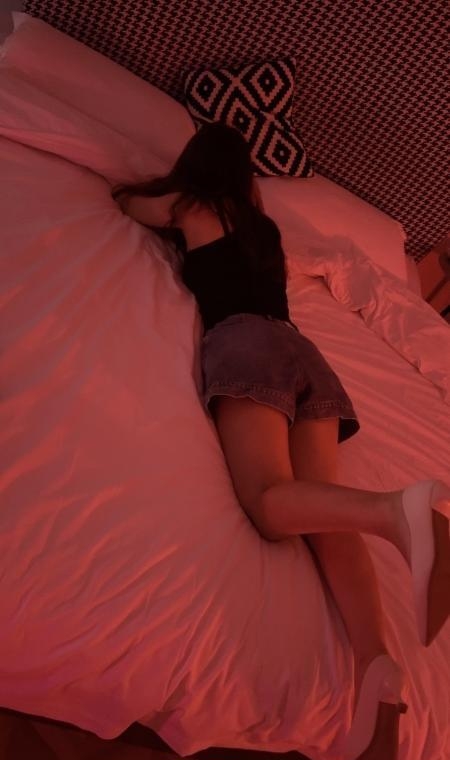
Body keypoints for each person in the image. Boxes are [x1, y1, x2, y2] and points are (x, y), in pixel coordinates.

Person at [112, 122, 450, 760]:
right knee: (323, 512)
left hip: (247, 343)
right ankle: (375, 666)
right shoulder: (264, 231)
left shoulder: (193, 206)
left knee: (269, 503)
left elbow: (127, 203)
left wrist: (161, 191)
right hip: (305, 355)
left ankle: (399, 514)